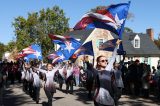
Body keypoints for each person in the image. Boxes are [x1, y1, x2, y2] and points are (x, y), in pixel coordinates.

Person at [93, 40, 121, 106]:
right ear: (99, 63)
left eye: (106, 60)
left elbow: (113, 57)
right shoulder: (96, 71)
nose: (105, 62)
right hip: (99, 99)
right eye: (103, 61)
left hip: (109, 98)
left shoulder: (108, 69)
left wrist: (116, 45)